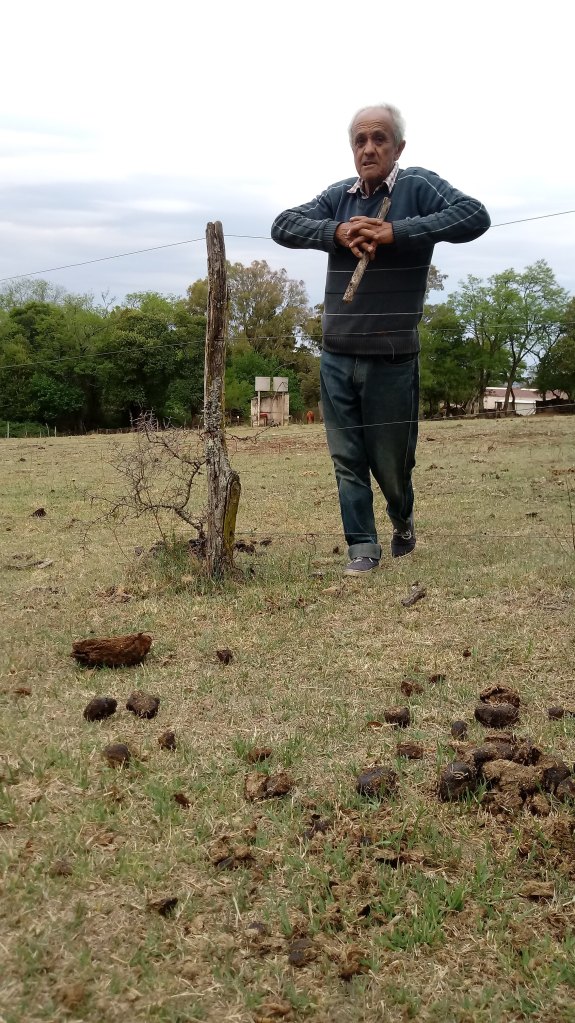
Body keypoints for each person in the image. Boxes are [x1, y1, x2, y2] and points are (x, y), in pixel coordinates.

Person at [271, 104, 490, 575]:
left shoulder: (418, 186)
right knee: (347, 458)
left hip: (392, 356)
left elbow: (475, 215)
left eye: (379, 139)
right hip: (336, 355)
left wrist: (396, 232)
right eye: (360, 140)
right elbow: (282, 225)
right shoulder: (339, 197)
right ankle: (362, 548)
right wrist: (337, 232)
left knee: (392, 464)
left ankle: (402, 519)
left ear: (398, 147)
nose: (368, 148)